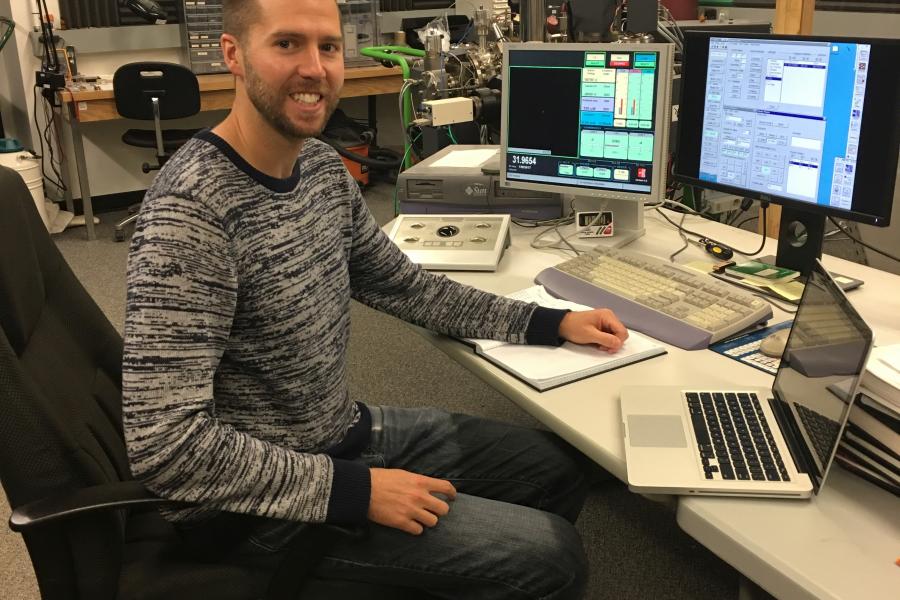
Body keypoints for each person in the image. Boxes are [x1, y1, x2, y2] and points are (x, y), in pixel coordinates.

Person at [122, 0, 629, 597]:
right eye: (287, 44)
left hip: (337, 433)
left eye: (329, 47)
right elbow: (166, 447)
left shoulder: (317, 166)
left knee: (554, 470)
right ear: (233, 55)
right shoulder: (193, 213)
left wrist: (550, 322)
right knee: (552, 557)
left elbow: (402, 285)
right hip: (250, 510)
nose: (316, 68)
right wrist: (356, 492)